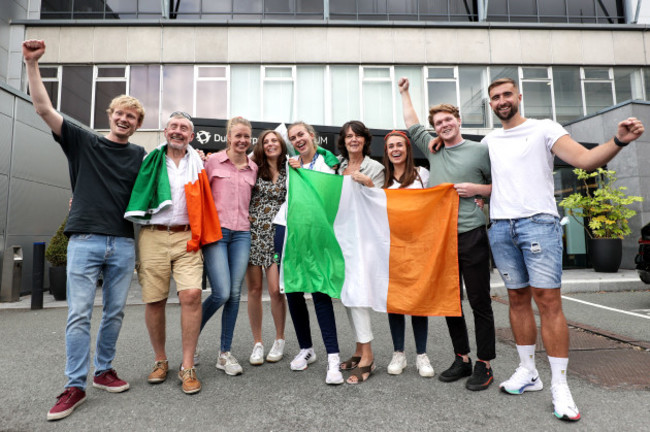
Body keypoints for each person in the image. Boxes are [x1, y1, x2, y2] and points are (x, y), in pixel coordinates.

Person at [484, 77, 644, 421]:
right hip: (500, 227)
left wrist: (619, 140)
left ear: (518, 96)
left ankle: (560, 384)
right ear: (491, 104)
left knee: (548, 301)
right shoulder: (490, 140)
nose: (501, 100)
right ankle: (528, 372)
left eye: (506, 94)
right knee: (516, 299)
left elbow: (585, 160)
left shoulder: (543, 128)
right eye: (495, 97)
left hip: (538, 224)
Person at [23, 39, 147, 421]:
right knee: (78, 314)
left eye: (133, 117)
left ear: (138, 124)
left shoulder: (141, 156)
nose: (125, 119)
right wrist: (31, 64)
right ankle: (74, 384)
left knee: (114, 313)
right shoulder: (82, 142)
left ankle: (104, 370)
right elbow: (44, 108)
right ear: (110, 115)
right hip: (85, 241)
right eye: (120, 113)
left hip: (123, 243)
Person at [399, 77, 495, 390]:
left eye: (448, 120)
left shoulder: (481, 151)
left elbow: (503, 188)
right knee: (450, 300)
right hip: (441, 237)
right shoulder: (434, 148)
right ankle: (462, 358)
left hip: (472, 233)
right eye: (438, 123)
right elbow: (412, 123)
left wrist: (479, 189)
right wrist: (404, 92)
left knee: (480, 300)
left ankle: (485, 363)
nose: (443, 125)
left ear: (458, 120)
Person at [127, 112, 214, 395]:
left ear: (191, 136)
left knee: (191, 295)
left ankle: (187, 365)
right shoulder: (148, 160)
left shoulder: (200, 163)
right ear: (166, 131)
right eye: (174, 126)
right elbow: (125, 188)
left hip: (188, 235)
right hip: (153, 236)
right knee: (155, 300)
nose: (178, 131)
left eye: (184, 128)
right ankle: (160, 360)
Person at [273, 121, 344, 385]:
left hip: (317, 231)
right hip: (289, 228)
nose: (297, 139)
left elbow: (327, 193)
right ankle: (307, 349)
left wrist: (307, 167)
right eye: (293, 137)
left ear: (312, 136)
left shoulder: (329, 164)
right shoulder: (290, 163)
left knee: (319, 290)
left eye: (301, 134)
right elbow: (261, 151)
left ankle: (333, 357)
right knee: (292, 290)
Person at [200, 116, 258, 376]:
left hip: (242, 234)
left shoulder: (253, 168)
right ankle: (191, 336)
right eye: (238, 136)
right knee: (221, 292)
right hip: (216, 233)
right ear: (228, 137)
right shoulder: (211, 162)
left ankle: (224, 354)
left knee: (234, 294)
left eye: (246, 136)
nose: (242, 140)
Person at [381, 130, 434, 378]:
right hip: (391, 246)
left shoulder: (423, 175)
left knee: (418, 300)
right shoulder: (383, 179)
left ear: (407, 148)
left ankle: (421, 355)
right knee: (396, 301)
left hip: (418, 247)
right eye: (391, 146)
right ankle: (398, 353)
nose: (395, 149)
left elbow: (439, 200)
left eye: (399, 145)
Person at [334, 120, 384, 384]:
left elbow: (383, 203)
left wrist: (369, 184)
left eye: (358, 136)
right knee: (347, 293)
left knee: (359, 292)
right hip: (342, 235)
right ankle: (358, 349)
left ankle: (368, 357)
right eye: (349, 136)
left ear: (365, 140)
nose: (353, 139)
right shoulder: (339, 166)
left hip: (364, 236)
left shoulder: (375, 168)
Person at [245, 130, 288, 365]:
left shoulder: (290, 169)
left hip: (277, 234)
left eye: (275, 140)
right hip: (253, 233)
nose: (271, 144)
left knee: (274, 290)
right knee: (253, 290)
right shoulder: (253, 166)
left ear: (282, 144)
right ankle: (257, 342)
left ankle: (279, 339)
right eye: (266, 141)